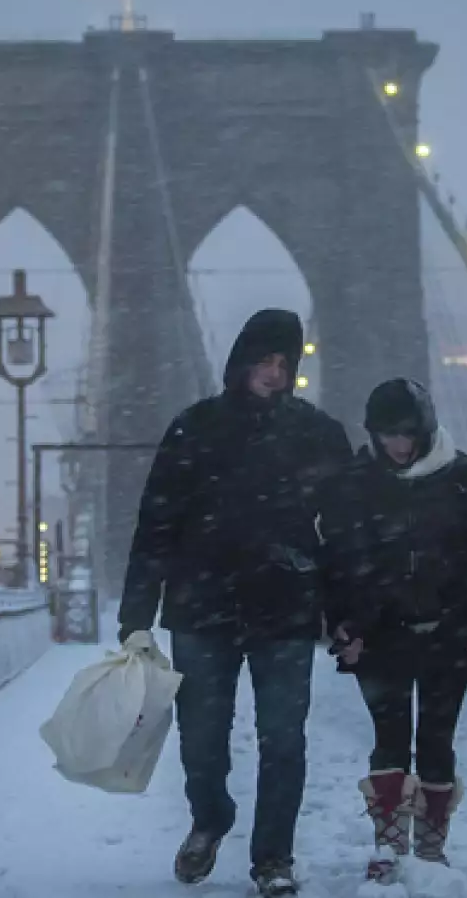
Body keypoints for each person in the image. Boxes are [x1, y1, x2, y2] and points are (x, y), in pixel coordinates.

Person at [117, 308, 352, 897]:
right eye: (263, 361)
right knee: (200, 737)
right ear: (241, 362)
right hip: (202, 606)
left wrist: (348, 612)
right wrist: (135, 614)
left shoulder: (319, 434)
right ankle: (210, 817)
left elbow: (348, 535)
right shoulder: (193, 428)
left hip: (286, 606)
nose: (274, 374)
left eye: (284, 363)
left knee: (284, 739)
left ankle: (273, 859)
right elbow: (157, 523)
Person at [316, 377, 467, 883]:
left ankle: (430, 846)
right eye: (386, 435)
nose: (397, 445)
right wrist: (343, 625)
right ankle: (389, 842)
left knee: (437, 739)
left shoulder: (466, 476)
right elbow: (339, 561)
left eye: (406, 433)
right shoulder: (356, 480)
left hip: (452, 630)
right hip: (379, 632)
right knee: (389, 736)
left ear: (424, 429)